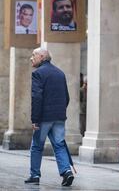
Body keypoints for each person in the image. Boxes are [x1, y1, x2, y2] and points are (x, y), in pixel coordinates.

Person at [25, 47, 74, 187]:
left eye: (33, 55)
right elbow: (67, 97)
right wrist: (59, 112)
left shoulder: (38, 74)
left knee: (37, 146)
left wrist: (35, 119)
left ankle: (34, 175)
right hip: (59, 117)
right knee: (59, 145)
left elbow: (36, 98)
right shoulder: (60, 73)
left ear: (42, 56)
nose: (31, 58)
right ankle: (67, 172)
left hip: (44, 119)